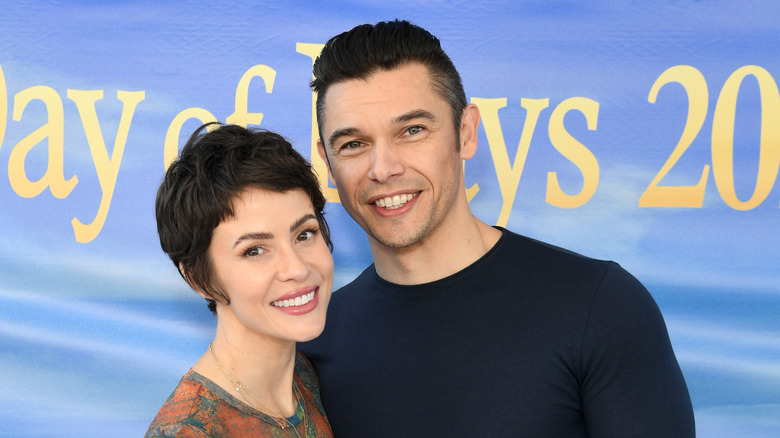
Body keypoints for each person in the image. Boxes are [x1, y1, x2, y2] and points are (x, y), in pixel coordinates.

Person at [298, 20, 695, 437]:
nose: (383, 169)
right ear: (327, 161)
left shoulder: (599, 308)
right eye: (353, 144)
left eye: (412, 131)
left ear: (465, 133)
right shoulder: (315, 340)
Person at [146, 123, 334, 437]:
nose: (297, 268)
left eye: (304, 234)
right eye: (255, 250)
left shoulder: (304, 376)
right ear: (198, 277)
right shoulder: (189, 431)